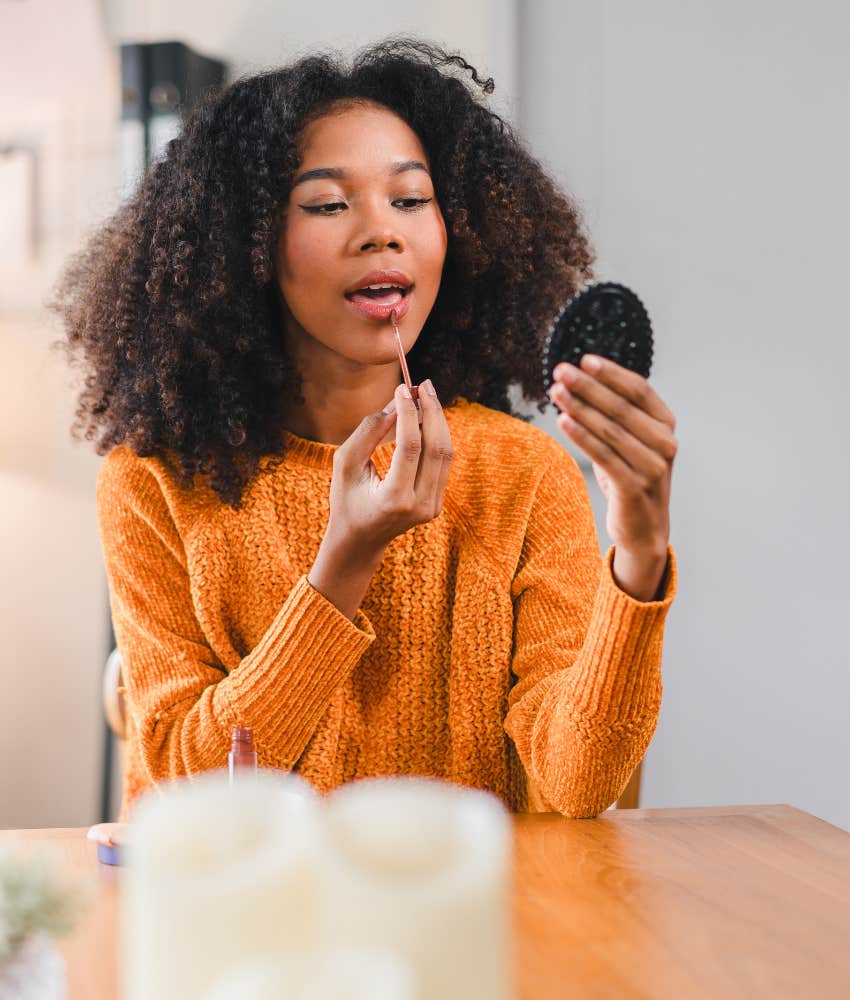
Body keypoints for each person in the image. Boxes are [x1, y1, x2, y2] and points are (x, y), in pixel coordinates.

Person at [52, 38, 678, 822]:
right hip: (257, 898)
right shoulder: (155, 483)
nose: (381, 231)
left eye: (410, 199)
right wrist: (341, 569)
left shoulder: (525, 473)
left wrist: (641, 555)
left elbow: (578, 785)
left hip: (474, 896)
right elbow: (190, 794)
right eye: (327, 204)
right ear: (246, 245)